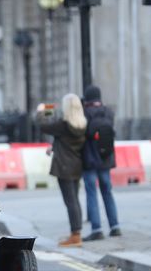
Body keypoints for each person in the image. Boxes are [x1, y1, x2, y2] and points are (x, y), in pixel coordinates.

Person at [36, 93, 87, 248]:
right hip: (77, 165)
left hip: (64, 167)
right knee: (75, 200)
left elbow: (43, 126)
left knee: (70, 202)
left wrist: (41, 111)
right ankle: (76, 233)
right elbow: (67, 143)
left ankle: (76, 235)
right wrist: (54, 147)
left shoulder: (64, 125)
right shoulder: (83, 124)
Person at [81, 85, 122, 241]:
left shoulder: (85, 114)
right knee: (107, 192)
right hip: (106, 159)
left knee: (91, 193)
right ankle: (115, 226)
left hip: (90, 160)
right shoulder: (109, 113)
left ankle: (97, 229)